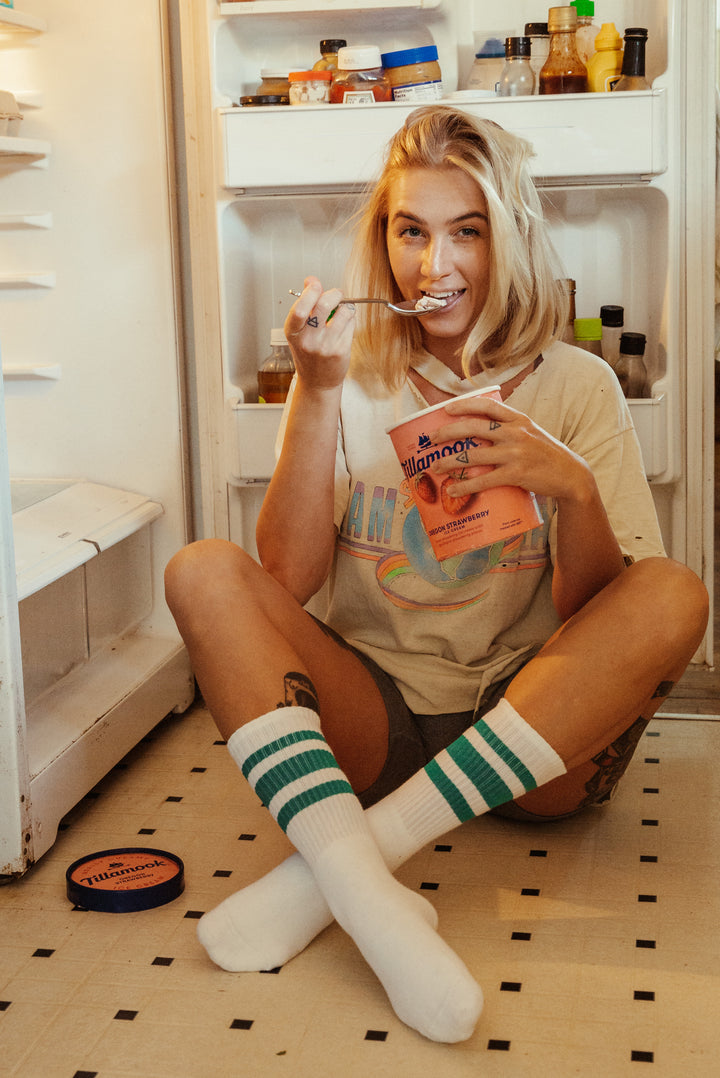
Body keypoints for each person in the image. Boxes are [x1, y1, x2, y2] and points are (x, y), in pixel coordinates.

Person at [164, 106, 708, 1043]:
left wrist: (570, 492)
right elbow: (284, 579)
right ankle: (375, 900)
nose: (435, 265)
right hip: (374, 726)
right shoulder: (345, 369)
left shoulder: (577, 385)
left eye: (468, 232)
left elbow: (599, 616)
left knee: (674, 591)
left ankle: (346, 868)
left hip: (533, 735)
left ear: (513, 240)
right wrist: (319, 390)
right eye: (411, 232)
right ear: (383, 241)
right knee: (202, 571)